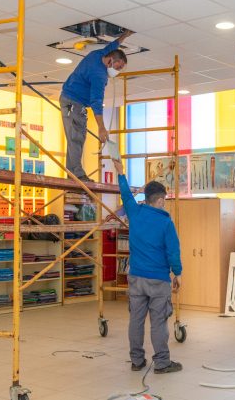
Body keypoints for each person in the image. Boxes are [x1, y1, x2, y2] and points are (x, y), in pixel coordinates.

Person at [112, 158, 183, 373]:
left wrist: (121, 173)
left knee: (136, 320)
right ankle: (161, 363)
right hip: (158, 279)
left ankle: (137, 361)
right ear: (160, 200)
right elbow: (173, 251)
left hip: (135, 277)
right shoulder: (166, 223)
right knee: (159, 322)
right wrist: (177, 274)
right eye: (165, 199)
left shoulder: (135, 213)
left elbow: (125, 195)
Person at [60, 30, 133, 182]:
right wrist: (101, 127)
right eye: (118, 67)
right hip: (73, 102)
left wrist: (123, 37)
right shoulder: (98, 75)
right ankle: (77, 174)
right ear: (111, 61)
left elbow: (112, 46)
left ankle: (71, 172)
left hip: (71, 100)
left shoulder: (98, 55)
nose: (117, 71)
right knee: (76, 138)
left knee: (75, 136)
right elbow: (96, 102)